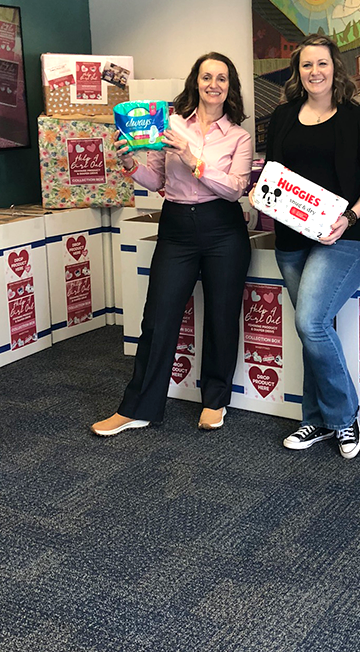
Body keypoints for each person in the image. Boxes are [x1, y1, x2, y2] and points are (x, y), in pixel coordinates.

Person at [92, 52, 253, 436]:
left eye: (222, 78)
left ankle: (215, 401)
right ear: (194, 82)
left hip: (223, 229)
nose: (213, 84)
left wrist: (193, 158)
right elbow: (156, 179)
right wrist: (130, 164)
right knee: (158, 318)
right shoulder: (171, 124)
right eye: (206, 76)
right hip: (177, 226)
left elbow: (234, 189)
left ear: (230, 87)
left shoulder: (239, 136)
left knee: (220, 317)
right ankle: (139, 407)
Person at [261, 33, 360, 459]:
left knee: (311, 322)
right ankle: (314, 419)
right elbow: (273, 176)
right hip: (291, 239)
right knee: (314, 328)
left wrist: (348, 217)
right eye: (306, 65)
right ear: (298, 72)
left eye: (322, 64)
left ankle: (343, 415)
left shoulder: (358, 116)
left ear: (336, 68)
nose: (314, 72)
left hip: (347, 237)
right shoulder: (281, 117)